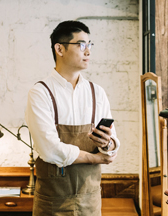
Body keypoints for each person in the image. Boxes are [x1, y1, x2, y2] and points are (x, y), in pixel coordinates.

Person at [25, 20, 120, 215]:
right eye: (81, 45)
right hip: (53, 202)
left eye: (90, 45)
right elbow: (50, 150)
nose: (88, 52)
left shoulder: (97, 93)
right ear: (59, 49)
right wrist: (95, 158)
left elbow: (112, 144)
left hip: (90, 202)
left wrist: (108, 145)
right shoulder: (40, 93)